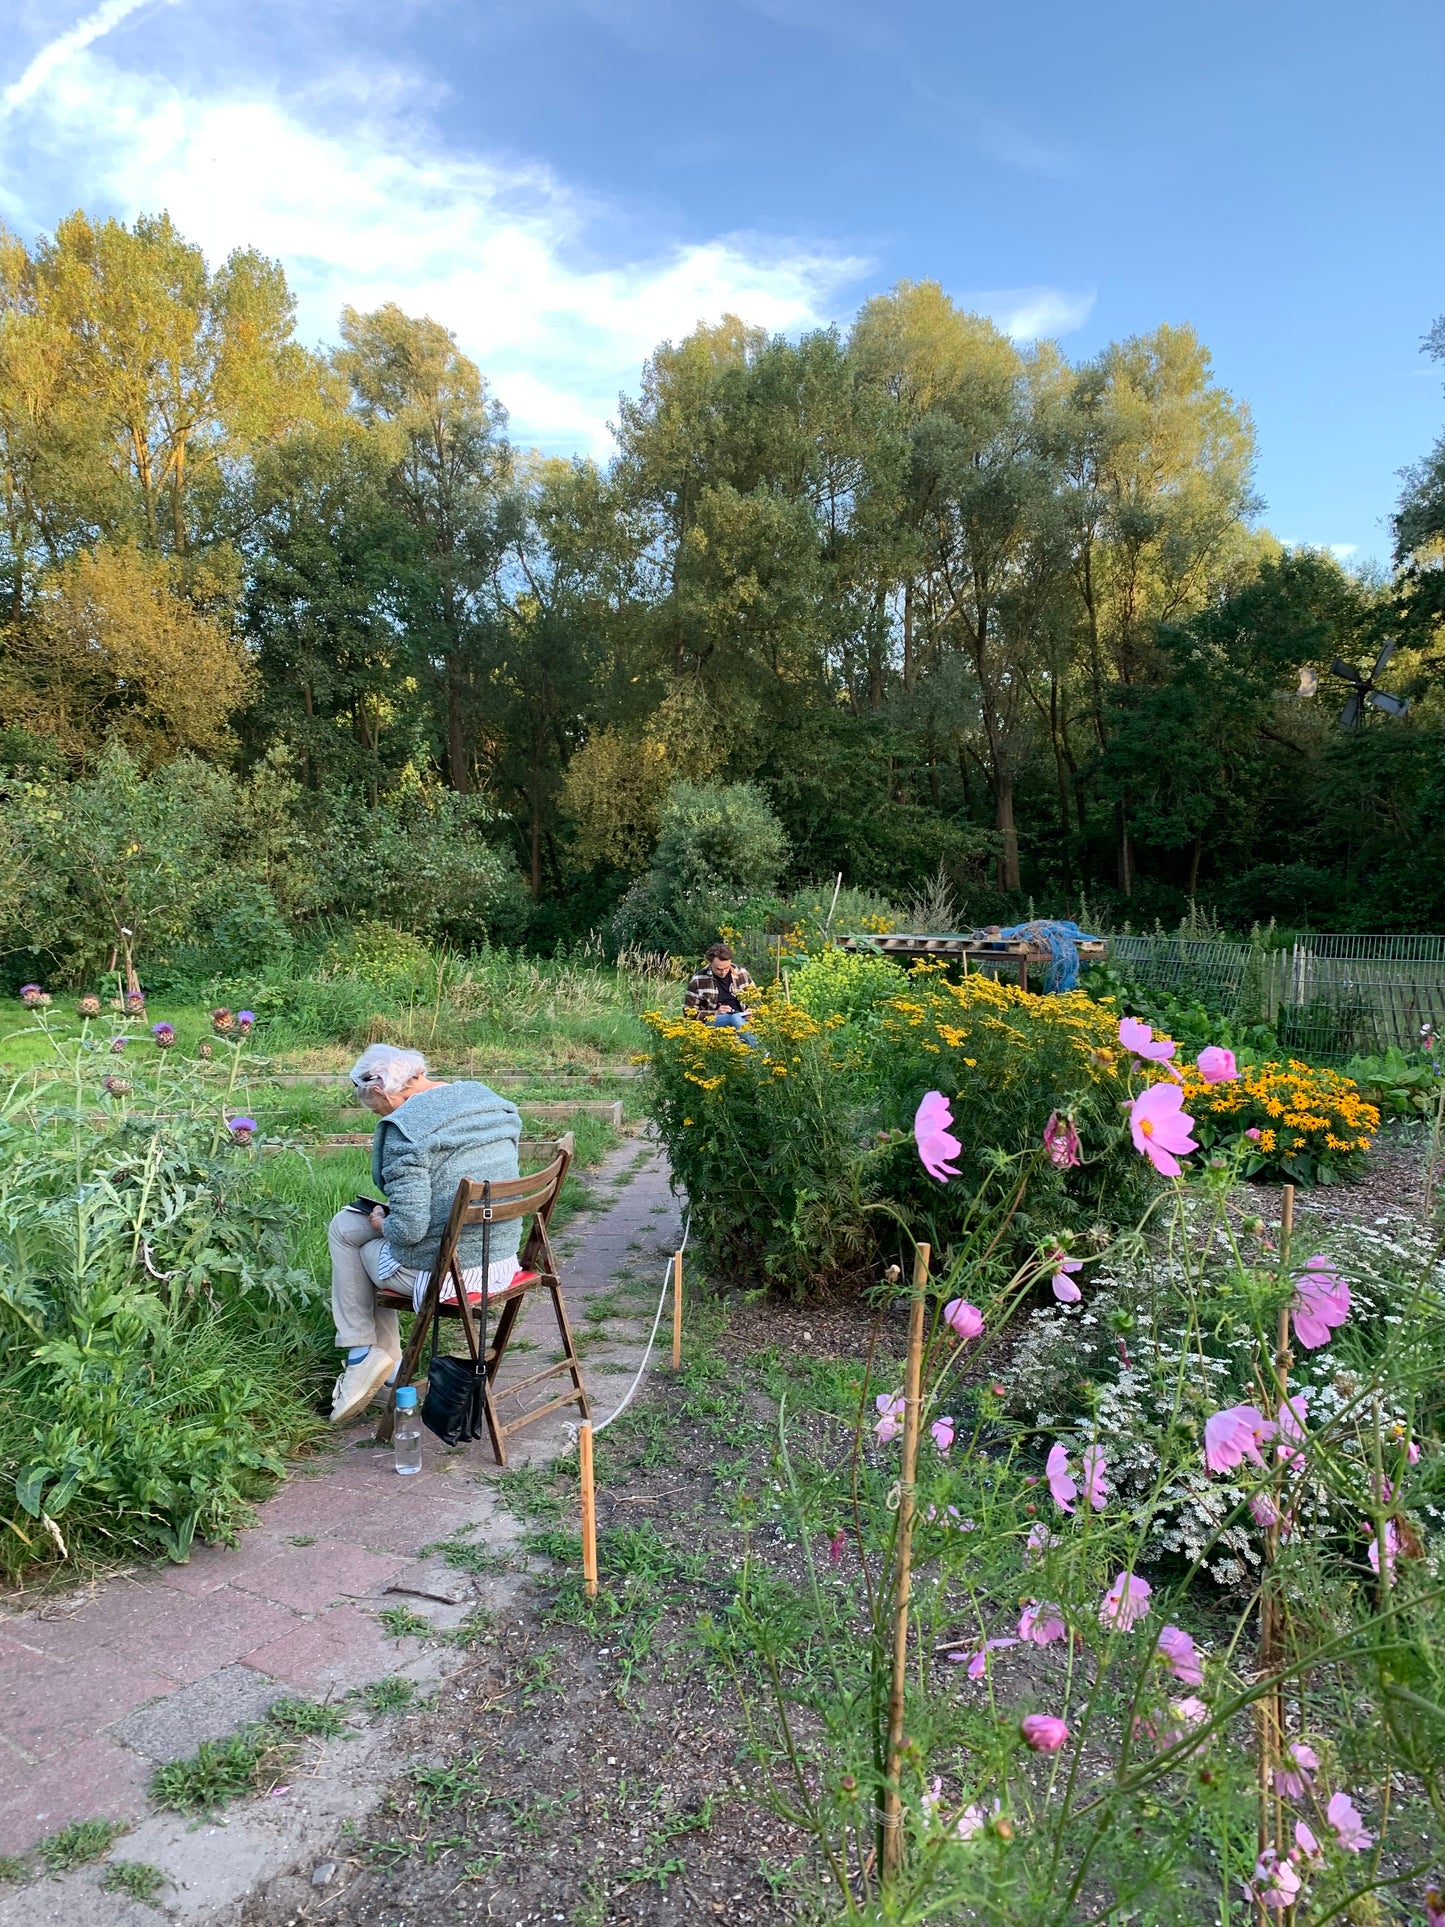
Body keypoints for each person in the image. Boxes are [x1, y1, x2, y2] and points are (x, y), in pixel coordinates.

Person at [327, 1043, 524, 1424]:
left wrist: (383, 1224)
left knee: (360, 1248)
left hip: (447, 1273)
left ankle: (364, 1359)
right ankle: (375, 1363)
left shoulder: (407, 1130)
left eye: (375, 1108)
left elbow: (409, 1230)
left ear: (381, 1091)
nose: (379, 1115)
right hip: (499, 1256)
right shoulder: (489, 1100)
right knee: (344, 1226)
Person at [683, 941, 760, 1048]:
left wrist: (751, 1012)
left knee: (736, 1017)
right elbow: (688, 1014)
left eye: (726, 968)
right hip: (712, 1021)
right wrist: (715, 1013)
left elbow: (757, 1001)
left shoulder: (742, 973)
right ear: (710, 963)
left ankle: (755, 1055)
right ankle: (760, 1050)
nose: (723, 972)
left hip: (741, 1018)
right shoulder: (698, 980)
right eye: (718, 969)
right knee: (732, 1017)